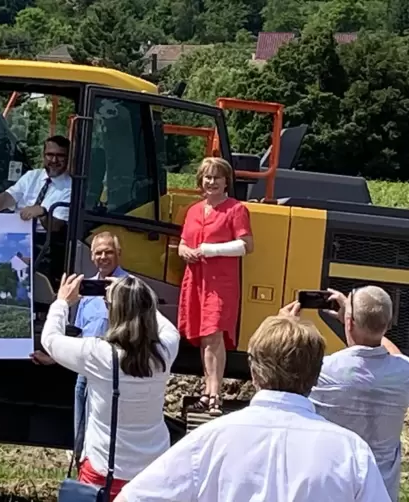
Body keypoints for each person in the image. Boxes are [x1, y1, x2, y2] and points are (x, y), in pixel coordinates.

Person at [114, 311, 391, 502]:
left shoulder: (210, 439)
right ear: (317, 375)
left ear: (254, 371)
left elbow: (133, 497)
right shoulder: (350, 451)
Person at [41, 273, 181, 501]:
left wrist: (62, 302)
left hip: (104, 469)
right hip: (152, 471)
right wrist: (137, 297)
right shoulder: (164, 352)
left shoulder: (99, 354)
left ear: (112, 311)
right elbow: (170, 329)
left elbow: (50, 339)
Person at [290, 287, 409, 502]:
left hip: (332, 488)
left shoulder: (323, 370)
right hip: (381, 492)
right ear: (389, 324)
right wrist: (359, 320)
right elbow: (395, 355)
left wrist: (285, 325)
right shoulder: (403, 373)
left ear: (349, 322)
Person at [177, 157, 253, 415]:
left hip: (221, 282)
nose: (212, 182)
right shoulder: (194, 211)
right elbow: (183, 244)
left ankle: (215, 394)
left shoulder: (236, 209)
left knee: (214, 334)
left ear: (225, 181)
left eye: (217, 177)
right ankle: (207, 391)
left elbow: (246, 246)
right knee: (202, 337)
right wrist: (185, 251)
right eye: (208, 177)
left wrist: (210, 250)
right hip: (195, 280)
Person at [71, 232, 128, 464]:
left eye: (109, 252)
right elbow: (78, 332)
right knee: (81, 424)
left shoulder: (129, 286)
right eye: (98, 253)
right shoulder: (87, 290)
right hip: (85, 368)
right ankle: (80, 460)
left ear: (118, 255)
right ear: (92, 257)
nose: (103, 257)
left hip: (112, 369)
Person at [0, 135, 72, 235]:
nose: (54, 160)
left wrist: (43, 213)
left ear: (68, 157)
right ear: (43, 156)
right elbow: (7, 198)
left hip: (44, 241)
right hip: (16, 234)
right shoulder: (32, 176)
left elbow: (57, 227)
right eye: (50, 155)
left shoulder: (70, 187)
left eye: (60, 156)